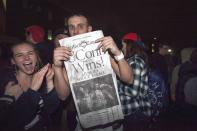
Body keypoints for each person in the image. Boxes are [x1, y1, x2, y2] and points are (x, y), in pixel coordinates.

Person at [53, 13, 133, 131]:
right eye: (71, 27)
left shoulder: (103, 49)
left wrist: (117, 53)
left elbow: (129, 79)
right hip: (84, 126)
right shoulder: (67, 55)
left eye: (80, 26)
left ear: (89, 29)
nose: (75, 31)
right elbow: (63, 96)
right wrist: (57, 67)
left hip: (112, 125)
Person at [0, 41, 59, 131]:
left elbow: (50, 109)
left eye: (30, 53)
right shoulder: (4, 81)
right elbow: (8, 124)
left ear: (37, 56)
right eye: (19, 55)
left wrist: (50, 82)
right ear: (13, 61)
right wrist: (7, 98)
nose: (26, 58)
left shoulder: (40, 77)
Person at [118, 32, 152, 131]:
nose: (122, 48)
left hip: (136, 113)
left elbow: (133, 91)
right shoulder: (130, 61)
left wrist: (115, 86)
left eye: (123, 45)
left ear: (130, 46)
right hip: (132, 113)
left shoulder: (135, 62)